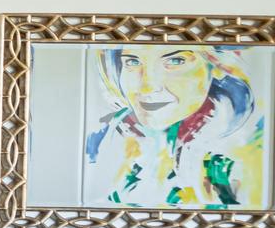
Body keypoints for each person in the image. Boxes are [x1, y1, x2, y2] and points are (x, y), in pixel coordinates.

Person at [85, 44, 266, 208]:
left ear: (216, 66)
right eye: (132, 61)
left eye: (175, 60)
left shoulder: (245, 156)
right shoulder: (105, 138)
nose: (148, 86)